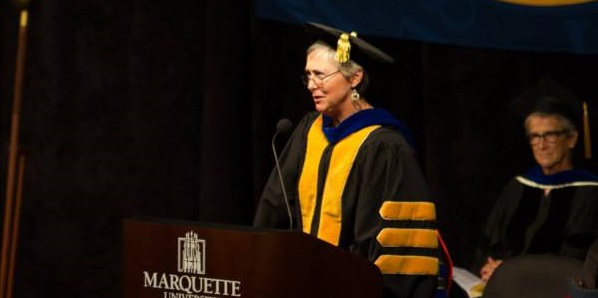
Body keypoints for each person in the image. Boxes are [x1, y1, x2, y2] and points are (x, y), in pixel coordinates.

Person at [253, 22, 439, 298]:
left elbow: (390, 245)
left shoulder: (385, 146)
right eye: (307, 76)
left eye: (320, 75)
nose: (311, 85)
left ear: (354, 78)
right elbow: (276, 204)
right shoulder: (309, 130)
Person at [475, 77, 598, 284]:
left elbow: (577, 257)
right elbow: (490, 246)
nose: (541, 145)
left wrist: (510, 270)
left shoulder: (591, 192)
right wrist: (489, 266)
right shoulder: (517, 187)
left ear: (571, 139)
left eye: (550, 135)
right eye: (535, 136)